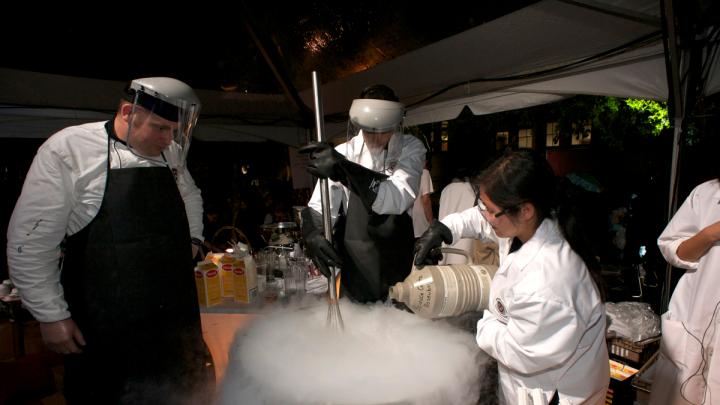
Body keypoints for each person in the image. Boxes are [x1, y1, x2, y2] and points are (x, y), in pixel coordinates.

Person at [6, 77, 214, 403]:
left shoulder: (170, 153)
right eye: (160, 128)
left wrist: (194, 239)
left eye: (174, 131)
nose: (168, 139)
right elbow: (30, 241)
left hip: (173, 317)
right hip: (107, 325)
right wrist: (51, 315)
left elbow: (190, 196)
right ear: (129, 112)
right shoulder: (67, 150)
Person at [414, 150, 608, 404]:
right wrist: (446, 229)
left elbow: (521, 353)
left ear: (525, 210)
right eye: (481, 204)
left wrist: (481, 323)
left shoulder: (550, 279)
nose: (483, 214)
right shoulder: (531, 221)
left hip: (554, 393)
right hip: (524, 384)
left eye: (490, 209)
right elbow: (480, 220)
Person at [300, 84, 426, 303]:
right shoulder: (342, 153)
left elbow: (397, 198)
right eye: (369, 131)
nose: (375, 139)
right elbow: (320, 208)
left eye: (383, 131)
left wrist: (343, 169)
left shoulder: (411, 148)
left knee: (398, 321)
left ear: (396, 125)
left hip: (396, 257)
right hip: (355, 260)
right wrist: (312, 232)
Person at [649, 178, 720, 404]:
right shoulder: (707, 193)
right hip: (695, 318)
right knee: (682, 393)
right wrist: (710, 234)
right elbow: (673, 250)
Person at [412, 158, 434, 238]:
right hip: (420, 222)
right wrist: (431, 221)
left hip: (407, 220)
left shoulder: (405, 172)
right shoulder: (424, 173)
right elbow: (426, 200)